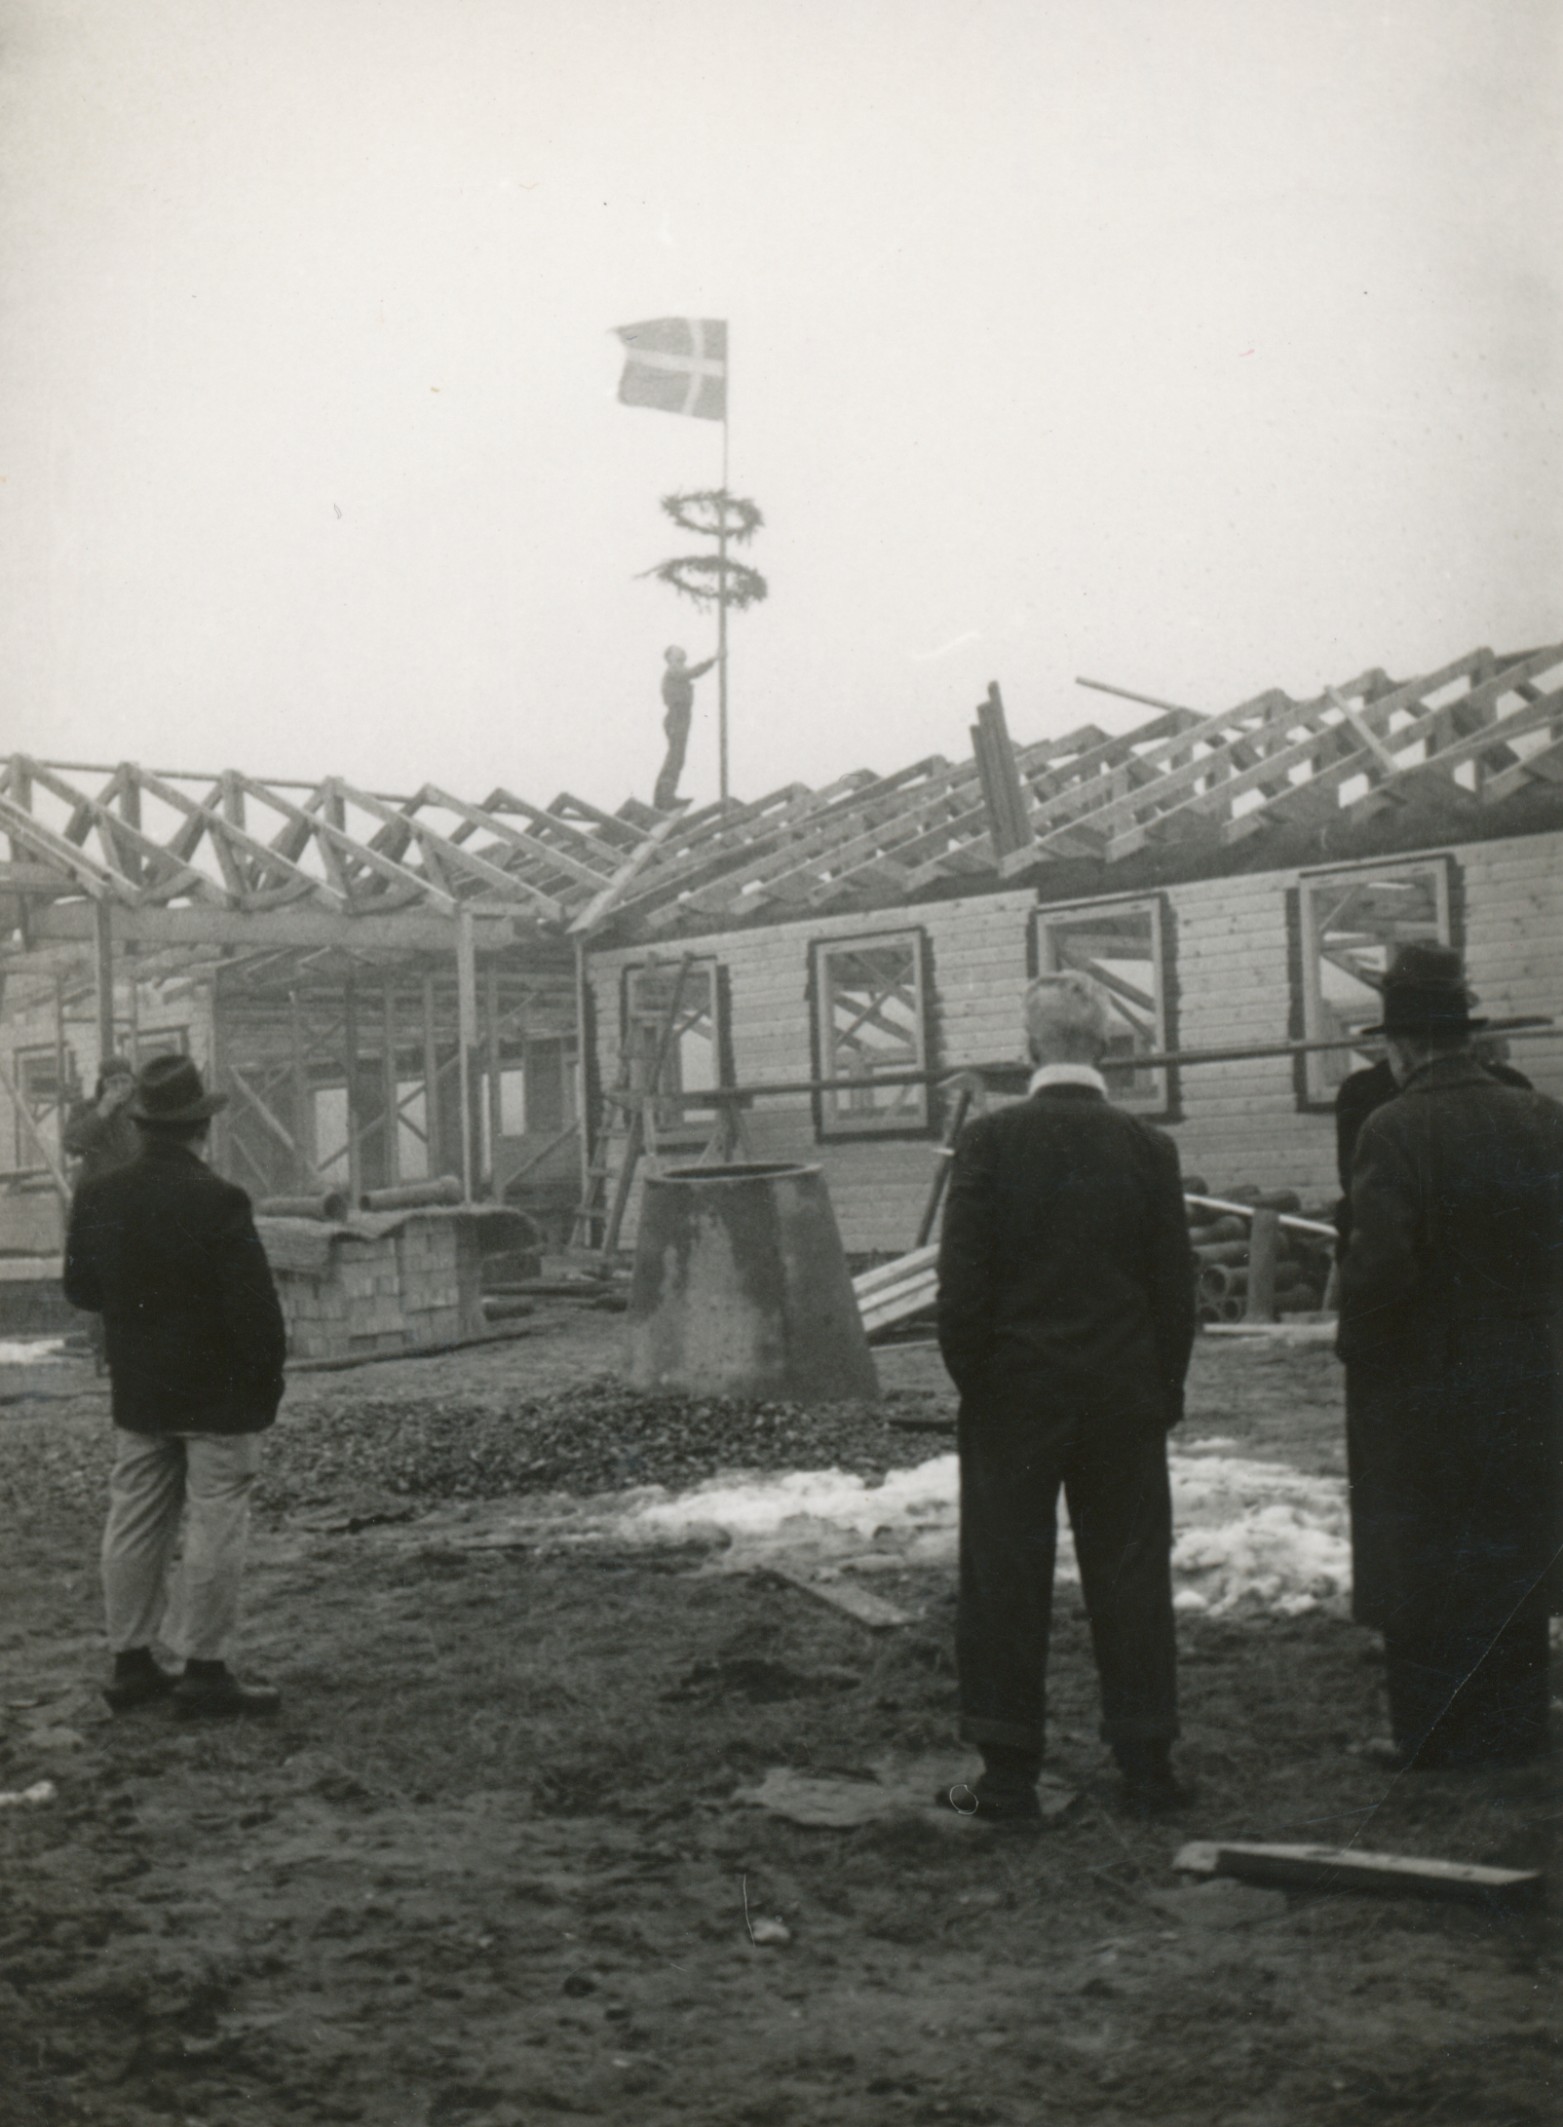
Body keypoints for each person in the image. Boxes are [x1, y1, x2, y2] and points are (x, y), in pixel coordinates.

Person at [936, 973, 1197, 1819]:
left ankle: (1007, 1770)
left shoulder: (989, 1143)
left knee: (1004, 1572)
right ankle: (1147, 1762)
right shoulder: (1147, 1149)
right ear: (1108, 1050)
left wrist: (981, 1380)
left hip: (1014, 1390)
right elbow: (1174, 1290)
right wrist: (1161, 1388)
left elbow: (961, 1287)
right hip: (1123, 1390)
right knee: (1130, 1569)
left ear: (1028, 1047)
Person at [1337, 943, 1563, 1770]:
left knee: (1425, 1550)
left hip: (1422, 1377)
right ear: (1465, 1036)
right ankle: (1515, 1725)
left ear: (1398, 1045)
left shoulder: (1390, 1127)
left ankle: (1430, 1733)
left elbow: (1381, 1269)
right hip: (1529, 1367)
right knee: (1512, 1536)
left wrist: (1356, 1347)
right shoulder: (1541, 1116)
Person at [63, 1053, 288, 1720]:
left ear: (141, 1124)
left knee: (133, 1518)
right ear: (201, 1129)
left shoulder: (101, 1194)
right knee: (216, 1520)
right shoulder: (219, 1198)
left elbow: (80, 1288)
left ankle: (131, 1662)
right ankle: (206, 1668)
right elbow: (256, 1309)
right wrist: (263, 1383)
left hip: (140, 1391)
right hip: (216, 1394)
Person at [1332, 977, 1531, 1256]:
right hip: (1511, 1265)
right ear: (1467, 1037)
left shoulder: (1369, 1101)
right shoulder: (1522, 1093)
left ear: (1398, 1048)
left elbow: (1359, 1190)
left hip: (1416, 1267)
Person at [653, 645, 716, 811]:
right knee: (675, 757)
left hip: (680, 716)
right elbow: (691, 673)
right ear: (671, 657)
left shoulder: (676, 670)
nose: (682, 651)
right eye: (678, 650)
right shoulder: (674, 669)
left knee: (677, 757)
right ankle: (664, 798)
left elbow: (690, 673)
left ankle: (666, 797)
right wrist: (713, 660)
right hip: (677, 716)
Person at [62, 1056, 140, 1185]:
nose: (120, 1088)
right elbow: (71, 1146)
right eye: (113, 1082)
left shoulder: (145, 1108)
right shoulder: (84, 1109)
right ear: (103, 1084)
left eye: (124, 1081)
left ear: (133, 1083)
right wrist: (99, 1114)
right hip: (102, 1188)